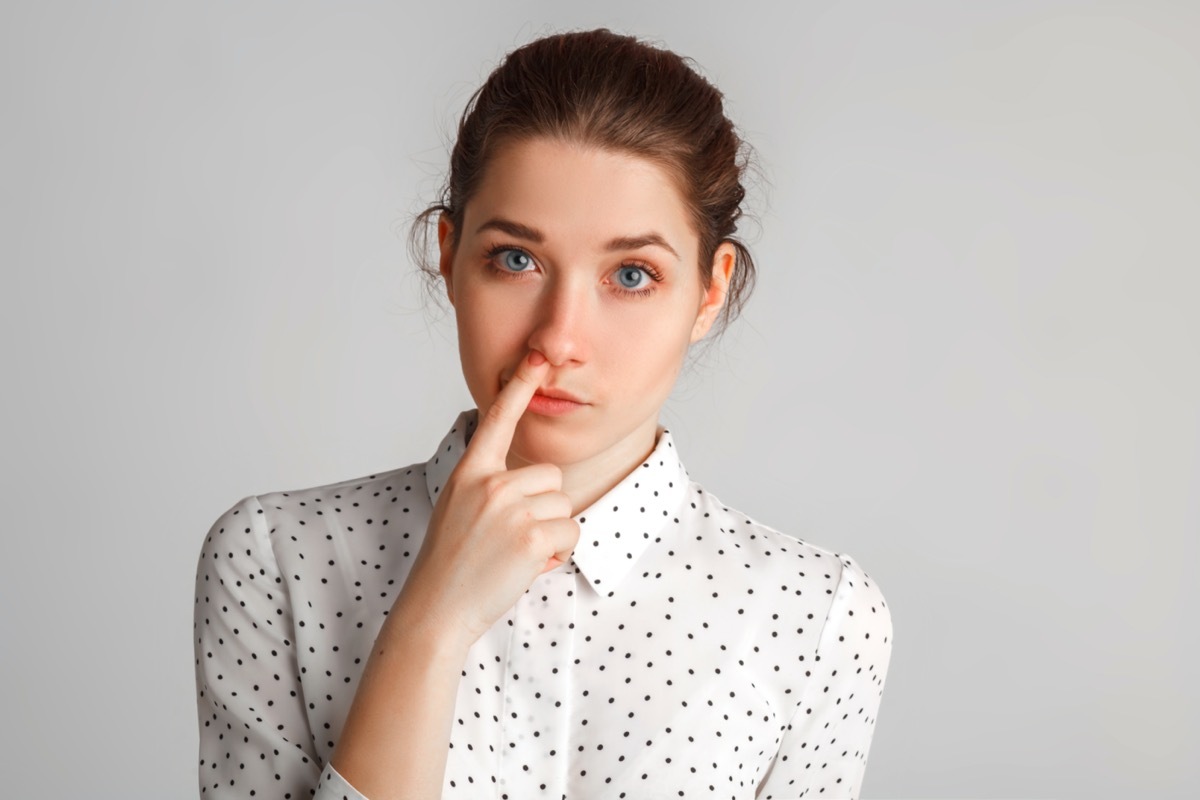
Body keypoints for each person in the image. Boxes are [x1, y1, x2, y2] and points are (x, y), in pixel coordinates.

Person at [193, 28, 893, 800]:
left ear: (710, 290)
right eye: (516, 260)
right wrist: (431, 623)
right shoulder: (276, 557)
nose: (558, 339)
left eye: (632, 275)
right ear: (450, 256)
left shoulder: (818, 615)